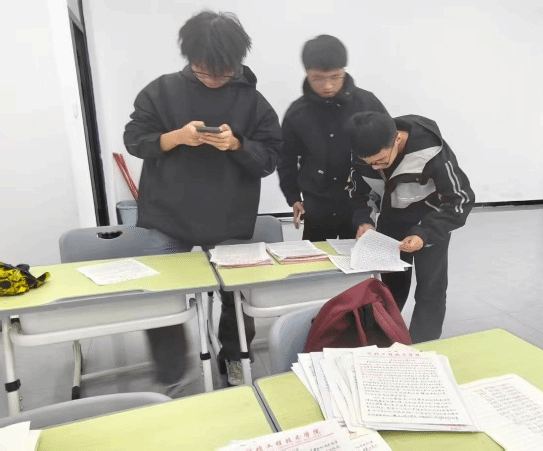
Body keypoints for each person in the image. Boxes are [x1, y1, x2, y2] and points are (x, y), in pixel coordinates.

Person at [123, 11, 282, 389]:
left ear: (236, 60)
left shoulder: (253, 101)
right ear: (189, 56)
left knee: (236, 294)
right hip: (168, 214)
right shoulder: (161, 91)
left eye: (222, 71)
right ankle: (171, 371)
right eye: (203, 68)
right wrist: (175, 137)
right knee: (161, 295)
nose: (212, 77)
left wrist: (237, 144)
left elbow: (269, 159)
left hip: (229, 215)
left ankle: (235, 357)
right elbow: (135, 140)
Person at [346, 112, 475, 343]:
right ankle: (385, 341)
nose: (375, 167)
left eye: (381, 161)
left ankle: (423, 345)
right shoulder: (363, 154)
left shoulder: (431, 151)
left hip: (431, 225)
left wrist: (424, 234)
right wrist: (364, 221)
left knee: (430, 291)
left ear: (397, 139)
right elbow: (359, 194)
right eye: (369, 163)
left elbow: (460, 200)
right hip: (390, 225)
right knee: (389, 290)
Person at [278, 35, 388, 240]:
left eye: (335, 77)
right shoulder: (297, 113)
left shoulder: (367, 104)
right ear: (307, 73)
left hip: (358, 207)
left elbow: (388, 149)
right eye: (318, 78)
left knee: (357, 258)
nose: (327, 85)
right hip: (317, 207)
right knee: (316, 258)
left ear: (344, 70)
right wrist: (292, 197)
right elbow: (286, 159)